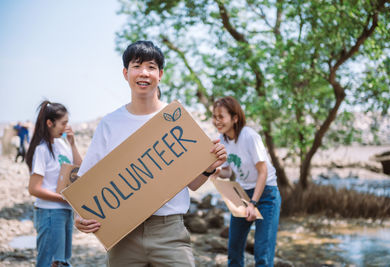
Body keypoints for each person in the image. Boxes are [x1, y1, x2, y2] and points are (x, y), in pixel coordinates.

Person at [75, 40, 227, 267]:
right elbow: (87, 182)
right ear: (125, 73)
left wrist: (209, 165)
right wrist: (80, 216)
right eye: (136, 66)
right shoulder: (109, 124)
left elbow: (193, 184)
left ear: (161, 74)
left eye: (151, 67)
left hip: (170, 232)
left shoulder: (178, 119)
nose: (144, 73)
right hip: (123, 236)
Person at [212, 96, 281, 267]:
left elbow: (263, 172)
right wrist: (216, 171)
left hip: (266, 194)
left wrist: (253, 203)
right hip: (242, 194)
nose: (216, 121)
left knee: (262, 254)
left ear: (235, 118)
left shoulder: (250, 137)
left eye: (221, 117)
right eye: (214, 117)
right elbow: (229, 172)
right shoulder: (222, 140)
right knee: (234, 248)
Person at [26, 100, 82, 267]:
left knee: (62, 262)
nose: (66, 127)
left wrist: (72, 144)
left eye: (67, 122)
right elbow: (34, 188)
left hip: (64, 211)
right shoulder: (42, 149)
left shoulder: (62, 144)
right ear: (49, 123)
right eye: (63, 123)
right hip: (49, 213)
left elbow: (79, 170)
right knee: (49, 262)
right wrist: (64, 198)